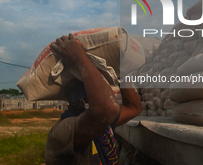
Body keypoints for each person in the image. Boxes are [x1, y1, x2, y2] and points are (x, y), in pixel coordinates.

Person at [45, 33, 143, 165]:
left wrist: (122, 73)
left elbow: (134, 108)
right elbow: (105, 108)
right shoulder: (61, 132)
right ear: (84, 100)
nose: (109, 95)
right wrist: (79, 58)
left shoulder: (102, 125)